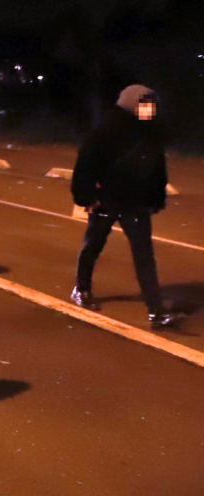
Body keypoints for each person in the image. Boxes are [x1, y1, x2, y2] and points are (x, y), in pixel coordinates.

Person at [71, 85, 184, 329]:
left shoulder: (151, 132)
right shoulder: (108, 130)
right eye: (145, 104)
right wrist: (86, 196)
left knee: (144, 255)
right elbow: (85, 164)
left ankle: (156, 311)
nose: (150, 110)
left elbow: (157, 169)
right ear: (131, 104)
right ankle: (81, 288)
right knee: (93, 244)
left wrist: (155, 198)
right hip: (107, 199)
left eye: (153, 105)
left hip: (136, 203)